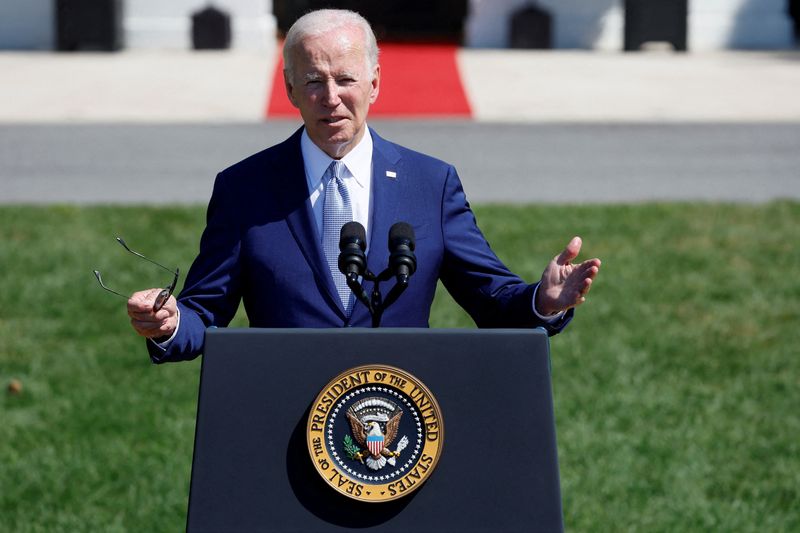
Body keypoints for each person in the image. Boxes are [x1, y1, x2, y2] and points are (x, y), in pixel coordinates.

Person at [126, 9, 601, 363]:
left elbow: (492, 300)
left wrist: (543, 301)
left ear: (374, 83)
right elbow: (204, 312)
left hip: (401, 426)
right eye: (313, 80)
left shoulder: (430, 184)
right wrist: (168, 323)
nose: (330, 98)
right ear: (289, 88)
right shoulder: (244, 188)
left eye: (346, 79)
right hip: (284, 421)